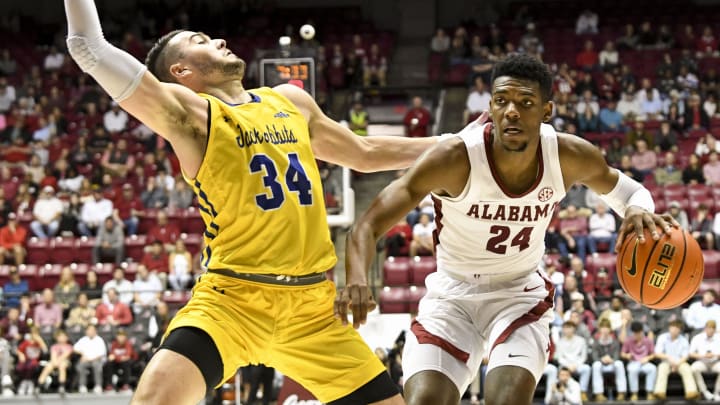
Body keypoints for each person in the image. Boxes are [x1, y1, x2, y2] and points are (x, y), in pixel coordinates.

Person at [63, 1, 450, 404]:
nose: (220, 40)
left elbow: (365, 152)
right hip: (232, 303)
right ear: (181, 73)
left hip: (313, 311)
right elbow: (87, 45)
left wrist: (452, 144)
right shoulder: (192, 115)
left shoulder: (289, 101)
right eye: (201, 41)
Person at [342, 54, 670, 405]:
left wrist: (637, 210)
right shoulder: (455, 157)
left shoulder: (568, 154)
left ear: (546, 111)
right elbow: (367, 225)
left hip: (519, 296)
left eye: (525, 102)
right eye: (502, 101)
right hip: (452, 297)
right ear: (491, 106)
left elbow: (633, 191)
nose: (511, 111)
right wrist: (357, 277)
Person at [652, 320, 698, 400]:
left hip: (680, 362)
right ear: (669, 328)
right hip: (666, 361)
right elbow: (657, 353)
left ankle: (691, 392)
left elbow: (686, 356)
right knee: (662, 368)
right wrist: (668, 358)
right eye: (673, 327)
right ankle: (659, 392)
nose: (674, 330)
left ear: (680, 330)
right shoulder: (662, 337)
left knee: (687, 369)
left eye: (677, 328)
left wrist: (677, 364)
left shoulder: (683, 340)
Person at [590, 319, 626, 401]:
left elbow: (617, 356)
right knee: (596, 365)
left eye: (607, 328)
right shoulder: (596, 342)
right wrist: (601, 359)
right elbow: (594, 357)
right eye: (603, 328)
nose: (605, 330)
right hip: (601, 364)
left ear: (610, 329)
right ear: (600, 329)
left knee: (619, 364)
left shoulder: (615, 341)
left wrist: (611, 359)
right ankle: (599, 394)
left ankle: (621, 392)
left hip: (612, 364)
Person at [621, 321, 657, 401]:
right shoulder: (628, 340)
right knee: (632, 370)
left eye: (638, 333)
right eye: (635, 333)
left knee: (653, 369)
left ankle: (650, 392)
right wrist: (627, 355)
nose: (637, 335)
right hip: (633, 362)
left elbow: (653, 354)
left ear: (642, 331)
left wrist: (647, 358)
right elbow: (622, 353)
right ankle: (634, 393)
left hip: (645, 362)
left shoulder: (648, 341)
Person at [689, 320, 720, 401]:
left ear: (715, 330)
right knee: (694, 368)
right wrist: (702, 355)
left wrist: (716, 355)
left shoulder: (719, 337)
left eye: (712, 329)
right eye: (709, 328)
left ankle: (717, 393)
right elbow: (691, 353)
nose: (710, 331)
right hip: (702, 362)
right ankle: (704, 392)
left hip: (715, 362)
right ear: (705, 329)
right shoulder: (697, 338)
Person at [36, 329, 73, 395]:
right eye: (60, 336)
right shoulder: (54, 346)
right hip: (54, 361)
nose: (62, 338)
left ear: (67, 337)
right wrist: (55, 362)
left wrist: (57, 362)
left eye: (63, 336)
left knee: (62, 366)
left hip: (65, 361)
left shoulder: (69, 347)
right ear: (57, 338)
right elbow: (53, 356)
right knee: (48, 366)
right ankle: (39, 386)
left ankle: (62, 386)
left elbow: (65, 355)